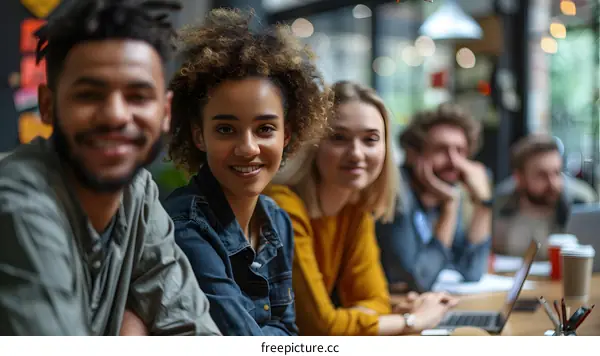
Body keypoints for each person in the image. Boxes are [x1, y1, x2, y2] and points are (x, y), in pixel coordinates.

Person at [0, 0, 221, 336]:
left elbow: (193, 329)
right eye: (89, 95)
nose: (116, 115)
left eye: (138, 96)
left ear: (164, 112)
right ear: (47, 106)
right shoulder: (15, 203)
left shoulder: (137, 191)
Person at [162, 8, 330, 336]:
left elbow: (288, 331)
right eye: (226, 129)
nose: (248, 147)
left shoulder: (276, 220)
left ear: (288, 134)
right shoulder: (185, 227)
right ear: (199, 135)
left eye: (265, 128)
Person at [265, 81, 457, 336]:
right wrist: (413, 320)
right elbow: (320, 327)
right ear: (314, 143)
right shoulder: (282, 207)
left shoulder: (355, 209)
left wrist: (359, 320)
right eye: (339, 138)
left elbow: (375, 300)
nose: (356, 153)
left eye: (370, 139)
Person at [376, 104, 492, 293]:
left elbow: (471, 271)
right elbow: (419, 280)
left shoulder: (446, 191)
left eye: (460, 151)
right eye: (441, 150)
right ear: (413, 154)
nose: (454, 161)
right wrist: (450, 206)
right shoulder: (396, 192)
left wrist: (484, 204)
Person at [493, 134, 597, 259]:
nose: (553, 183)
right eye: (542, 175)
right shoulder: (501, 203)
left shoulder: (581, 201)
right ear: (519, 178)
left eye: (557, 172)